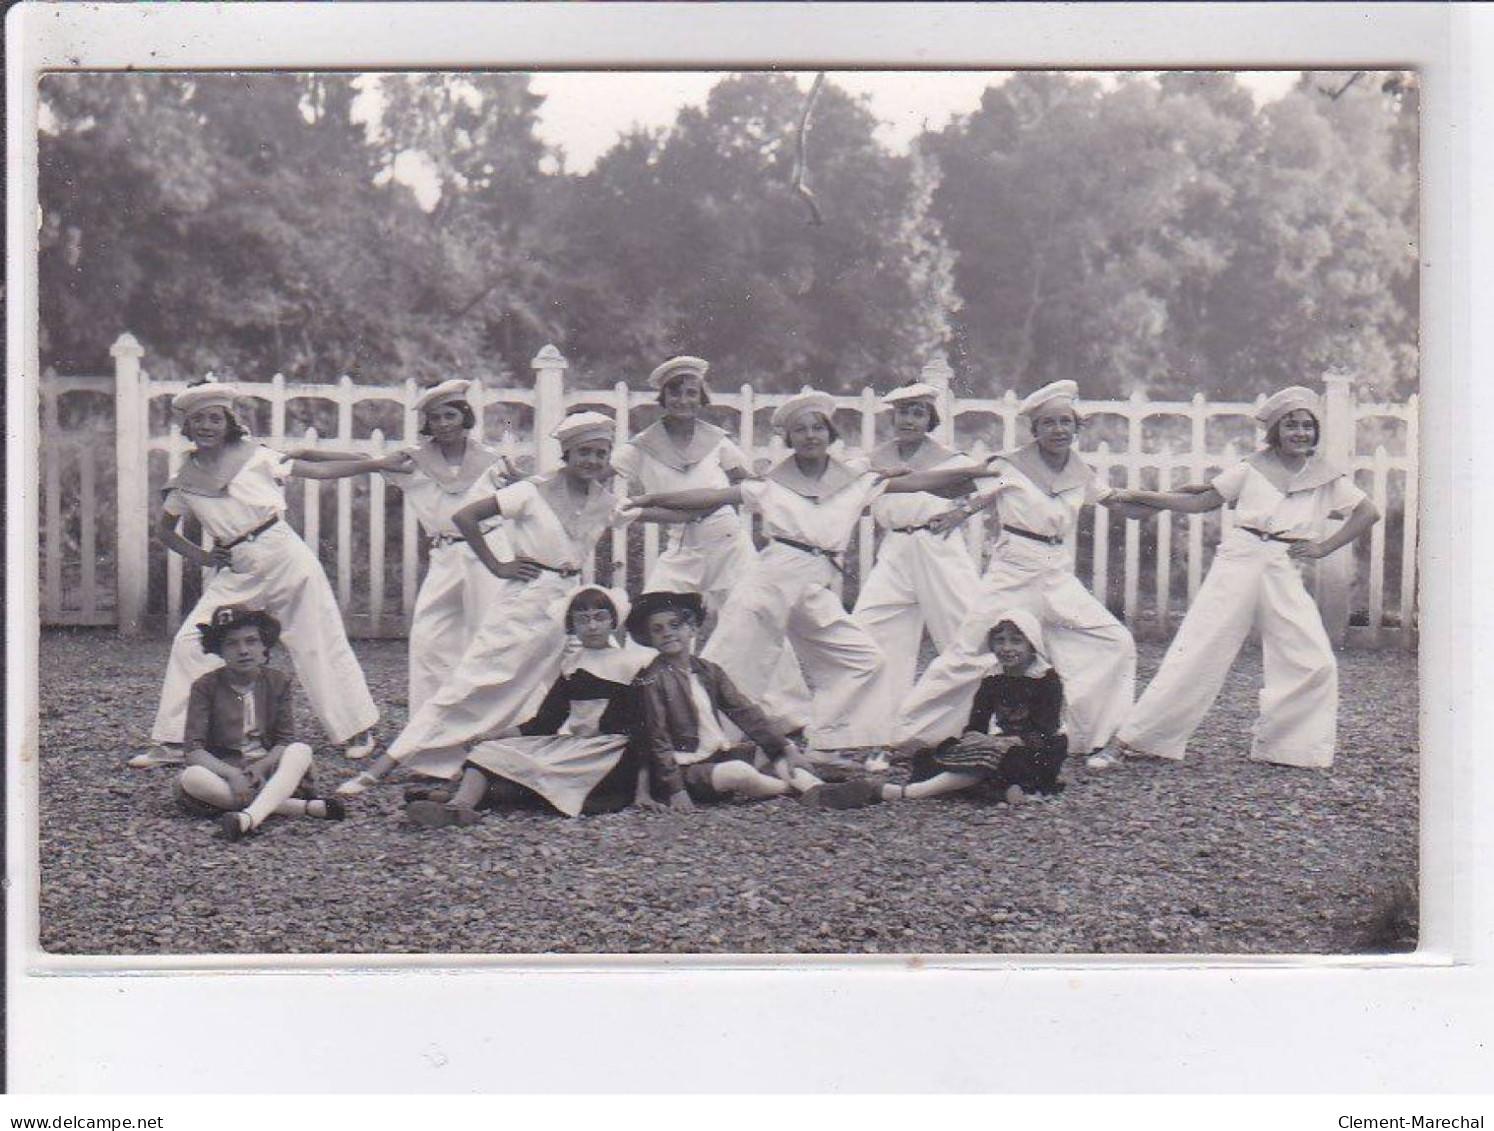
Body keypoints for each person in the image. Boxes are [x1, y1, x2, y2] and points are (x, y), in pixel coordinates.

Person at [628, 391, 997, 752]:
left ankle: (831, 737)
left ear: (830, 434)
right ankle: (697, 745)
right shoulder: (772, 484)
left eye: (817, 428)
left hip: (813, 587)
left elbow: (919, 481)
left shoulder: (856, 479)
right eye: (800, 430)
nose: (810, 436)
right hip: (771, 580)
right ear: (789, 439)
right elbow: (711, 496)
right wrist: (651, 499)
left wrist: (978, 471)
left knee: (863, 658)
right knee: (734, 666)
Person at [338, 409, 639, 794]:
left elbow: (648, 509)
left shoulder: (605, 500)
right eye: (584, 452)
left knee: (575, 678)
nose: (593, 461)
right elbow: (466, 516)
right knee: (473, 682)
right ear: (567, 453)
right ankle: (382, 767)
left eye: (601, 453)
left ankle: (529, 764)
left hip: (572, 605)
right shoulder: (532, 490)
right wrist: (499, 565)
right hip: (526, 599)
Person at [1099, 386, 1381, 770]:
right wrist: (1144, 496)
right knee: (1198, 648)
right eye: (1291, 425)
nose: (1300, 433)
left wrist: (1323, 547)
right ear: (1276, 431)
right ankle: (1134, 740)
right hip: (1241, 558)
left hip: (1284, 565)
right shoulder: (1252, 467)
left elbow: (1367, 512)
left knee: (1315, 659)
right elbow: (1202, 501)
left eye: (1307, 426)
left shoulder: (1327, 476)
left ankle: (1291, 748)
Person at [134, 382, 405, 770]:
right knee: (192, 641)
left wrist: (376, 464)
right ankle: (175, 740)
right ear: (187, 429)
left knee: (316, 640)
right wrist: (206, 556)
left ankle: (355, 729)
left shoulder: (256, 457)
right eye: (198, 420)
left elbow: (316, 469)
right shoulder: (184, 481)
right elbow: (164, 532)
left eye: (215, 418)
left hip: (283, 553)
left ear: (229, 424)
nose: (207, 426)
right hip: (238, 569)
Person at [897, 380, 1152, 760]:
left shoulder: (1081, 472)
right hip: (1012, 571)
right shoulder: (1011, 465)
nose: (1058, 430)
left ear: (1076, 428)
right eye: (1048, 423)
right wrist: (898, 485)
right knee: (969, 653)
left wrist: (1173, 501)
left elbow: (1119, 502)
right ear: (1035, 430)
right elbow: (967, 489)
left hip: (1057, 575)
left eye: (1066, 422)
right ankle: (908, 736)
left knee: (1114, 641)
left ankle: (1095, 738)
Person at [613, 355, 814, 733]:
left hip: (727, 541)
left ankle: (787, 714)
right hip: (683, 547)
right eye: (675, 391)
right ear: (663, 396)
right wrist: (664, 514)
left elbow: (751, 488)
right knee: (649, 615)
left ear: (701, 397)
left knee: (758, 615)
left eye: (691, 392)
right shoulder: (640, 446)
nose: (683, 400)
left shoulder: (718, 441)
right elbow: (606, 489)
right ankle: (639, 713)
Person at [404, 586, 653, 826]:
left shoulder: (632, 664)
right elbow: (545, 722)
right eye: (582, 620)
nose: (592, 626)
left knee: (540, 772)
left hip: (609, 754)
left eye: (599, 618)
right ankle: (459, 806)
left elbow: (644, 730)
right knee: (491, 751)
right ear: (572, 626)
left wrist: (643, 791)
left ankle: (454, 798)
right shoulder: (571, 666)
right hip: (575, 747)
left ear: (613, 621)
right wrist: (492, 736)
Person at [803, 609, 1067, 808]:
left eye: (1016, 641)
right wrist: (974, 739)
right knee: (937, 755)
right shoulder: (993, 676)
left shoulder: (1046, 679)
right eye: (1000, 641)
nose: (1007, 648)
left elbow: (1045, 729)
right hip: (1004, 744)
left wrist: (999, 743)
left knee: (999, 757)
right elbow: (977, 721)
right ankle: (1008, 789)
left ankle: (902, 793)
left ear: (1031, 645)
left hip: (1037, 747)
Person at [851, 381, 984, 703]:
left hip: (937, 546)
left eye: (918, 413)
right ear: (892, 417)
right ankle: (879, 719)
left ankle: (983, 715)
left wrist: (962, 512)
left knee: (964, 629)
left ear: (930, 420)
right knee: (869, 629)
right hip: (895, 549)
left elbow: (995, 487)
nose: (909, 420)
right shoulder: (873, 460)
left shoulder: (950, 459)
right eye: (902, 413)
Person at [627, 590, 823, 810]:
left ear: (692, 629)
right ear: (650, 639)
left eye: (675, 625)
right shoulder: (653, 678)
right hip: (683, 769)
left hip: (717, 756)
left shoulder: (708, 671)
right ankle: (789, 790)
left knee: (773, 751)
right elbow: (657, 738)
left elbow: (744, 711)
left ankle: (817, 789)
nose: (667, 633)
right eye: (657, 629)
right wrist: (676, 789)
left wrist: (785, 747)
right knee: (739, 772)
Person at [172, 605, 346, 841]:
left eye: (251, 641)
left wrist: (263, 766)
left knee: (300, 750)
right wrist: (233, 775)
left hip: (271, 770)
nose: (243, 650)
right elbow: (193, 750)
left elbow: (285, 740)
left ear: (264, 646)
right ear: (220, 651)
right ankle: (301, 808)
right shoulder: (205, 686)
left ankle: (248, 818)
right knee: (192, 778)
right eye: (232, 643)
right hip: (226, 773)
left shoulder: (278, 681)